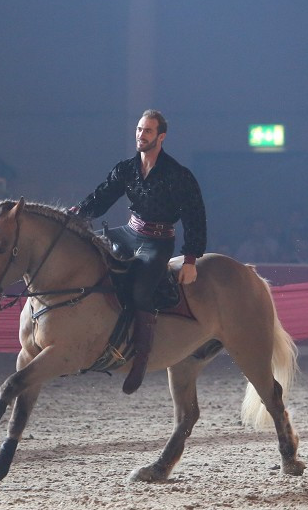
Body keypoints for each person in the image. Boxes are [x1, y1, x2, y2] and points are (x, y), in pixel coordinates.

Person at [71, 110, 206, 395]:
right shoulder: (127, 168)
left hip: (157, 241)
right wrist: (78, 213)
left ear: (161, 137)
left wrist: (191, 258)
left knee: (142, 292)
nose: (141, 135)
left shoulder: (177, 175)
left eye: (147, 131)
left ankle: (140, 359)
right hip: (129, 231)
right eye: (139, 129)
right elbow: (103, 195)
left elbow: (195, 217)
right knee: (86, 253)